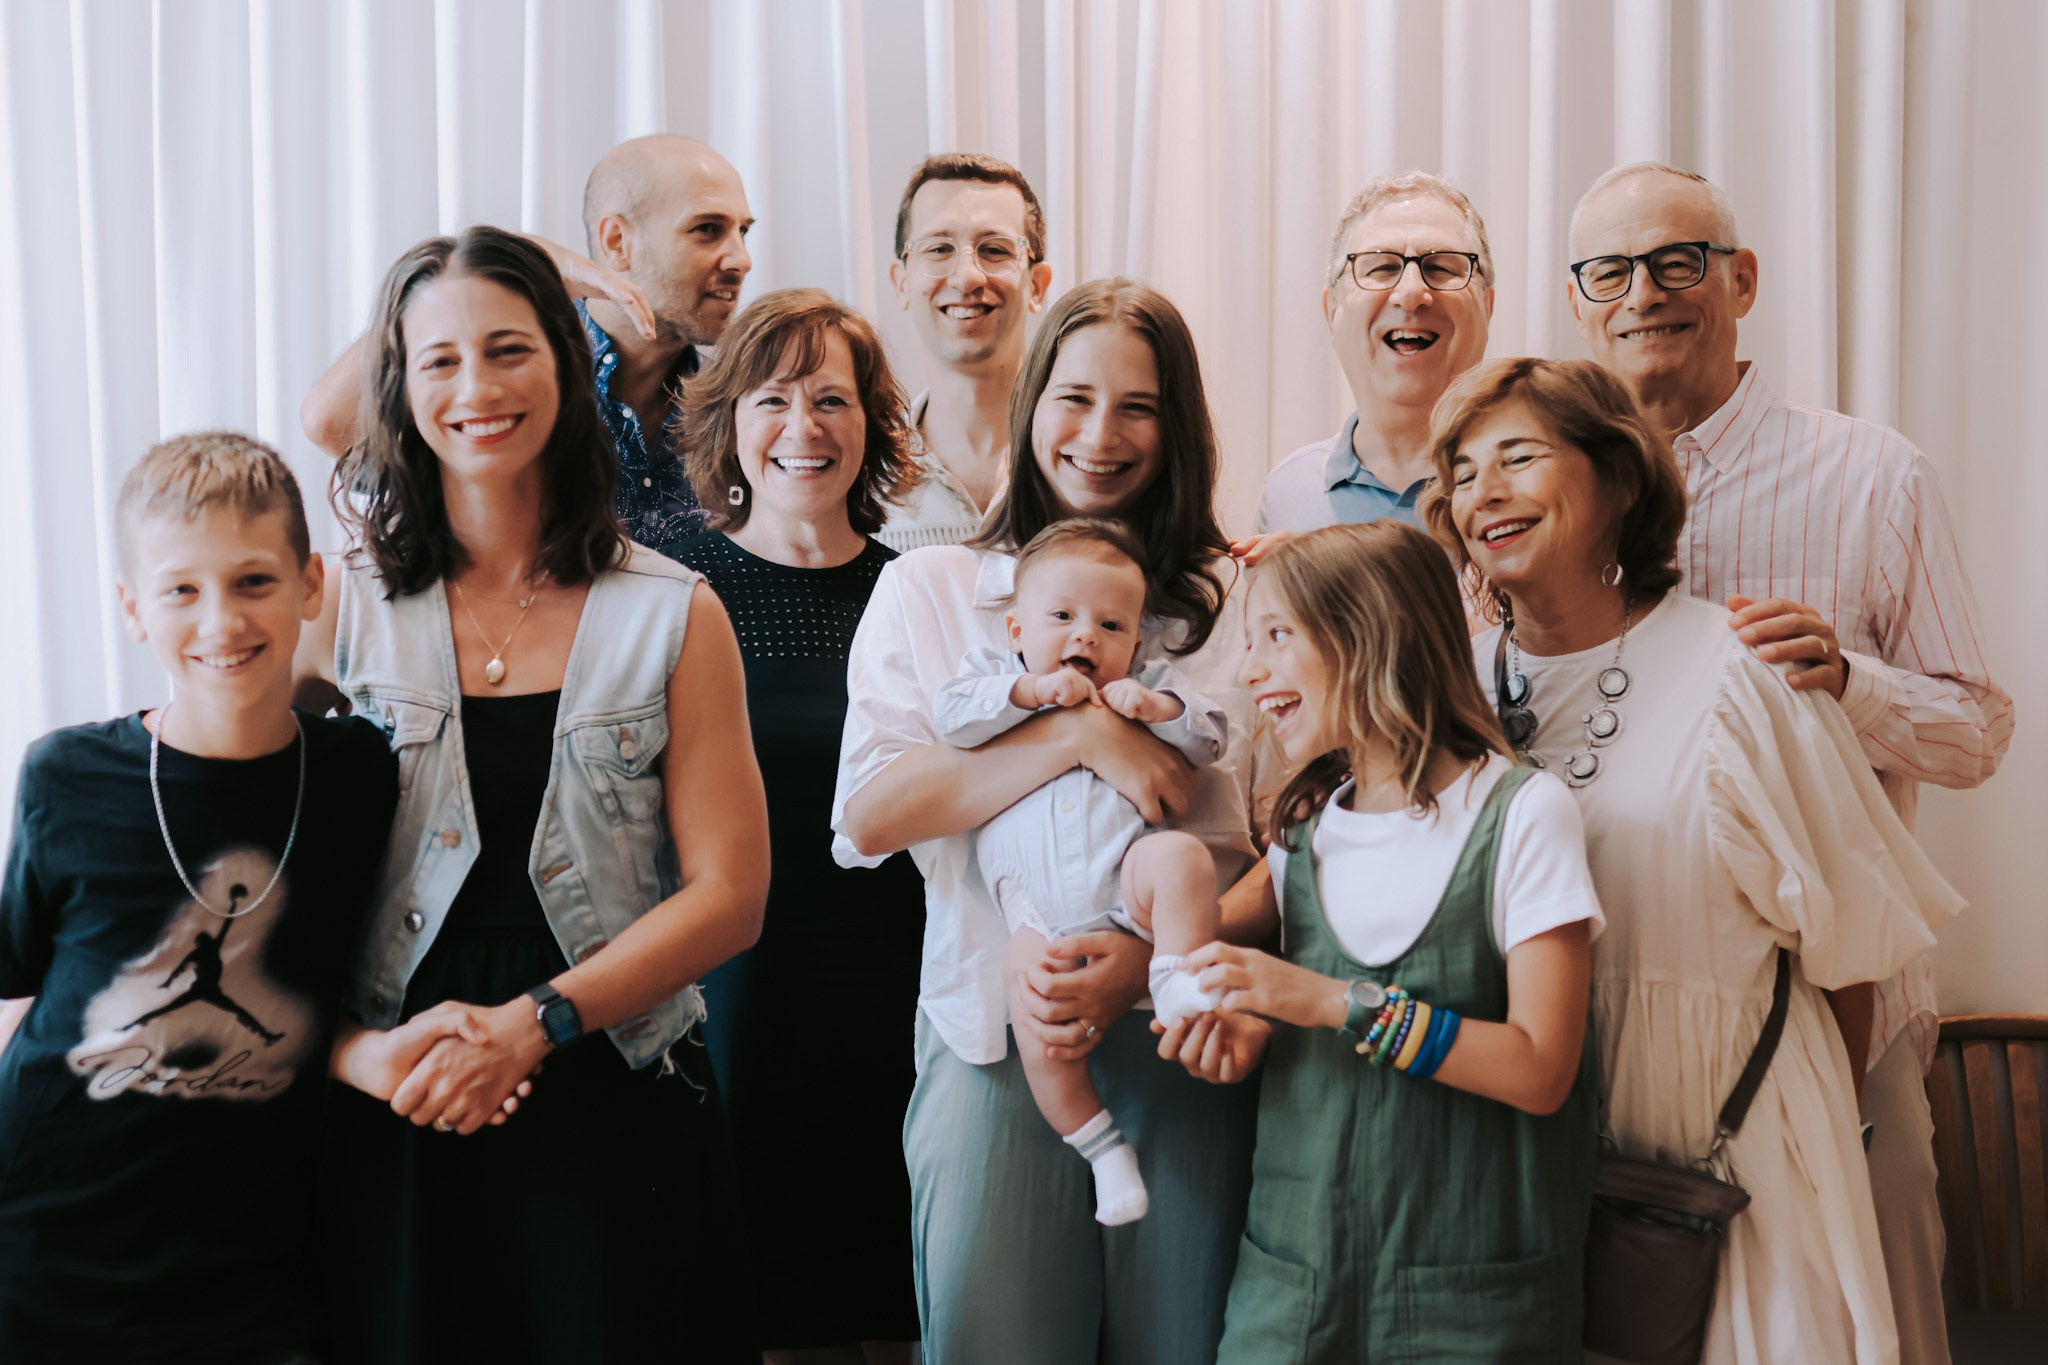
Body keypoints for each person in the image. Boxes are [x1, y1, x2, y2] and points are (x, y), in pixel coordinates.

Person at [1426, 356, 1966, 1364]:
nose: (1481, 491)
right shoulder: (1446, 690)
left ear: (1616, 481)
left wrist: (1810, 1152)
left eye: (1516, 457)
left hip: (1736, 1166)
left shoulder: (1738, 671)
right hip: (1523, 1179)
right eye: (1459, 471)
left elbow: (1847, 956)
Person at [299, 225, 769, 1364]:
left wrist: (535, 1024)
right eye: (439, 361)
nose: (476, 389)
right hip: (396, 1091)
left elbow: (729, 897)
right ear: (401, 391)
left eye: (508, 349)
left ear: (565, 363)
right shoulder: (338, 607)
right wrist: (354, 1054)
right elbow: (253, 874)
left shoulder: (674, 612)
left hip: (606, 1093)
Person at [1569, 160, 2013, 1365]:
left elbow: (1978, 729)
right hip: (1627, 1010)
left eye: (1677, 262)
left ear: (1740, 280)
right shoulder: (1559, 493)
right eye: (1609, 270)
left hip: (1840, 1004)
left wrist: (1846, 682)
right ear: (1576, 301)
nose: (1643, 294)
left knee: (1879, 1311)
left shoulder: (1869, 475)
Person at [832, 279, 1261, 1365]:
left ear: (1181, 428)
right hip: (988, 1029)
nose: (1099, 436)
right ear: (1028, 406)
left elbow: (1298, 849)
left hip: (1182, 1037)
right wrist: (1079, 737)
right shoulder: (932, 588)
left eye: (1139, 407)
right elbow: (872, 815)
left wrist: (1141, 958)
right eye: (1072, 397)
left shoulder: (1240, 600)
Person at [0, 432, 447, 1363]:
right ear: (132, 608)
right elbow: (18, 994)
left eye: (253, 581)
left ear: (311, 585)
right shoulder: (64, 774)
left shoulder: (360, 774)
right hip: (45, 1245)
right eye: (180, 590)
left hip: (257, 1261)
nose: (221, 621)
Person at [1157, 519, 1603, 1361]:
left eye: (1278, 638)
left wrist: (1326, 1001)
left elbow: (1542, 1069)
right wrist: (1238, 1032)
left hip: (1470, 1308)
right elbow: (1267, 1015)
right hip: (1292, 1293)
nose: (1252, 673)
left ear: (1371, 634)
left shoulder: (1521, 815)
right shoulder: (1302, 830)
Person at [669, 287, 924, 1365]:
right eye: (772, 399)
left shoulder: (923, 590)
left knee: (898, 1309)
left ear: (871, 423)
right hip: (738, 1000)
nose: (803, 428)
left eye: (832, 399)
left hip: (905, 995)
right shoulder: (675, 593)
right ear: (730, 422)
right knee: (765, 1315)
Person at [936, 518, 1228, 1226]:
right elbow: (952, 718)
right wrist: (1031, 696)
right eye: (1061, 616)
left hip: (1127, 879)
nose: (1085, 636)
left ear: (1135, 640)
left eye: (1110, 624)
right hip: (1032, 909)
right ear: (1015, 630)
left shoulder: (1144, 687)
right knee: (1038, 1019)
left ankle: (1177, 979)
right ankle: (1100, 1149)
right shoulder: (997, 681)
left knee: (1183, 858)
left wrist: (1158, 708)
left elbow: (1213, 733)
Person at [301, 134, 755, 556]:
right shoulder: (507, 382)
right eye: (707, 229)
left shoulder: (742, 399)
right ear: (617, 241)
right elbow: (330, 423)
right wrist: (518, 256)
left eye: (743, 231)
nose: (741, 259)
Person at [1254, 171, 1495, 536]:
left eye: (1441, 267)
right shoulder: (1287, 495)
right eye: (1382, 267)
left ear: (1487, 306)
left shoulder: (1535, 487)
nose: (1411, 293)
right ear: (1333, 311)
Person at [877, 153, 1053, 551]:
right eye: (939, 249)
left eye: (994, 250)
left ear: (1037, 285)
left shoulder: (1084, 459)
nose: (968, 276)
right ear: (901, 283)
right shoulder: (861, 476)